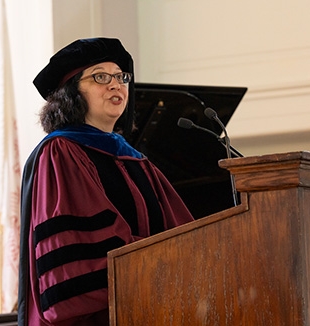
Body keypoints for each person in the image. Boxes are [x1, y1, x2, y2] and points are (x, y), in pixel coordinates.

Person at [17, 37, 195, 326]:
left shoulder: (137, 161)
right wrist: (160, 263)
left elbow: (186, 235)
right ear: (72, 92)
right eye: (101, 76)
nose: (115, 84)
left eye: (120, 77)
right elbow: (77, 262)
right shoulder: (61, 153)